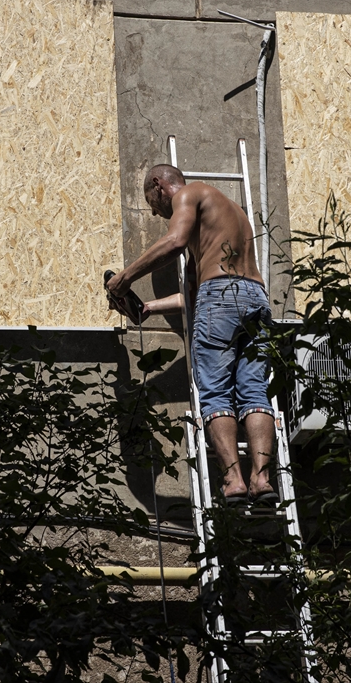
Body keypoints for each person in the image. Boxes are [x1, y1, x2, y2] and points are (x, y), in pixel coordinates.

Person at [107, 164, 277, 505]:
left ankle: (233, 481)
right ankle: (262, 479)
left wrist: (126, 278)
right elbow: (196, 295)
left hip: (220, 298)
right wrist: (148, 309)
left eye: (155, 207)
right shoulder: (232, 216)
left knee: (215, 395)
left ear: (159, 185)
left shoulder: (188, 193)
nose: (159, 214)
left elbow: (175, 242)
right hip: (256, 297)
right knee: (255, 393)